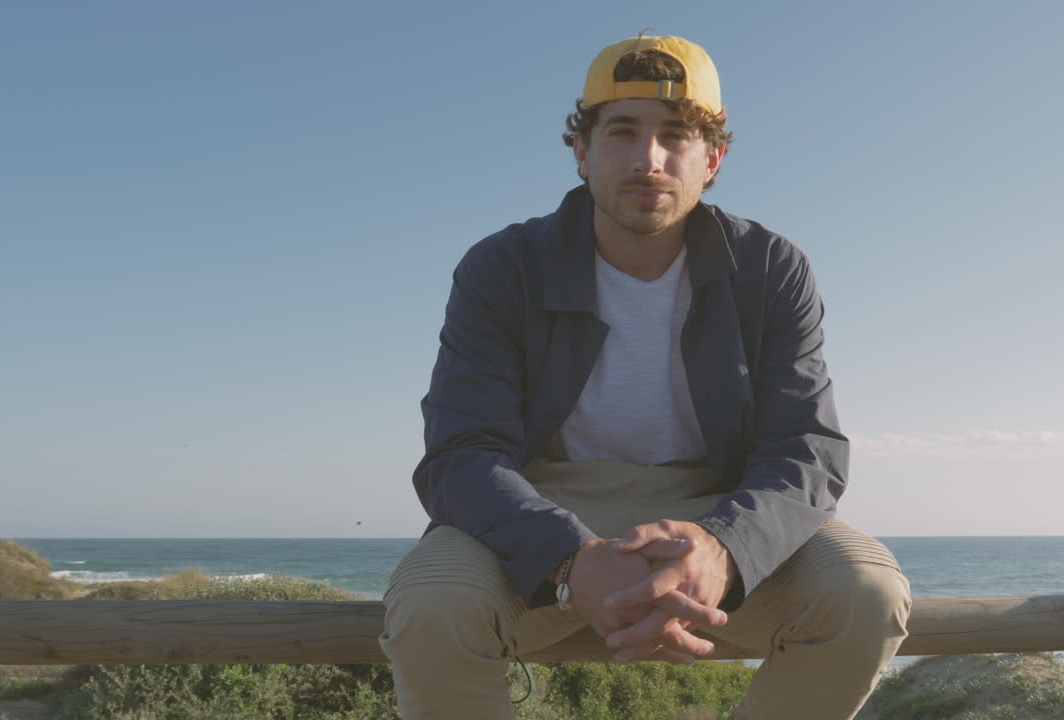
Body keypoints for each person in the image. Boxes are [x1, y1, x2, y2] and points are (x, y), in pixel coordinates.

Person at [380, 34, 911, 719]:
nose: (648, 160)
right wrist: (569, 560)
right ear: (582, 150)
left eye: (676, 137)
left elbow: (807, 448)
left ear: (712, 158)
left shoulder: (771, 267)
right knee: (432, 610)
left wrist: (724, 546)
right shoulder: (503, 266)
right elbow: (461, 453)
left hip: (719, 504)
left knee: (865, 595)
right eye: (622, 132)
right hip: (539, 507)